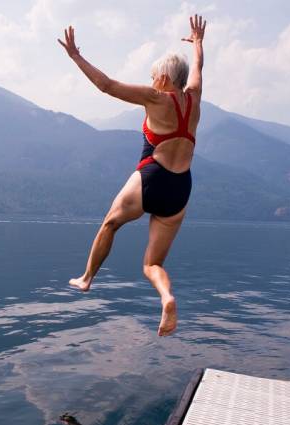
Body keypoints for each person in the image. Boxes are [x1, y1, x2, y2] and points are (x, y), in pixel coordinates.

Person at [58, 15, 206, 337]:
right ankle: (167, 297)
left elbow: (107, 86)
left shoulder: (156, 98)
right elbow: (198, 69)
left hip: (152, 177)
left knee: (111, 223)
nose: (151, 82)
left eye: (154, 77)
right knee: (152, 264)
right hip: (181, 189)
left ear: (165, 79)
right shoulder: (194, 96)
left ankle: (86, 279)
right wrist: (197, 44)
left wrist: (76, 57)